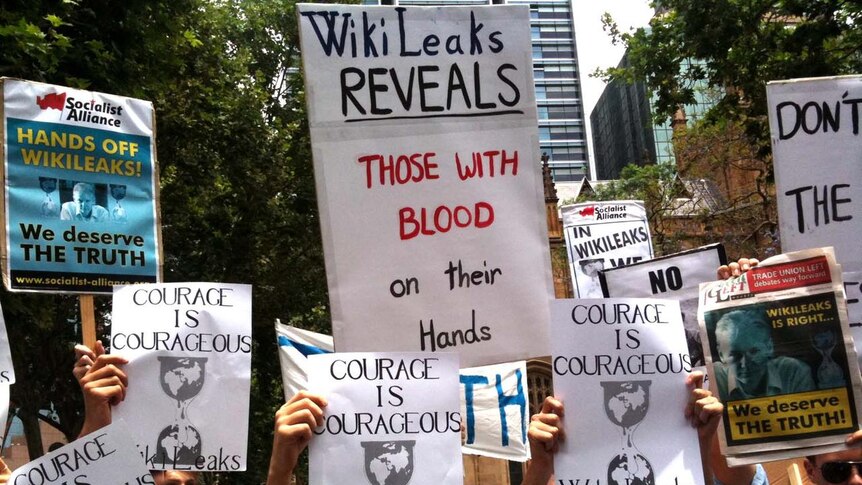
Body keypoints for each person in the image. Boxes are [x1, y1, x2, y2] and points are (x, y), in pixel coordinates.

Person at [712, 308, 815, 400]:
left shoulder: (793, 372)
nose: (745, 365)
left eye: (754, 351)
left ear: (769, 347)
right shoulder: (714, 376)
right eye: (734, 355)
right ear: (721, 355)